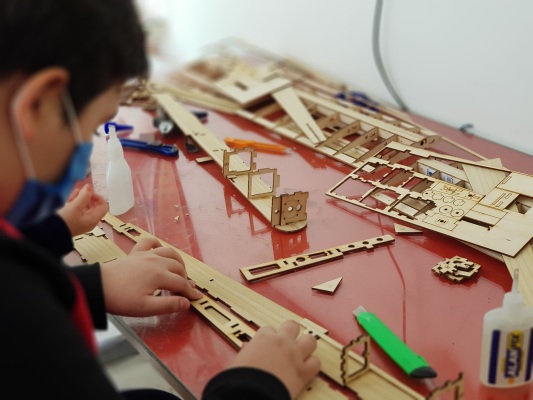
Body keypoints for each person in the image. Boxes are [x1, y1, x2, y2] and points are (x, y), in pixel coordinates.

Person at [0, 1, 320, 400]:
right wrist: (256, 385)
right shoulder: (19, 313)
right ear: (39, 104)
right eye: (95, 125)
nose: (87, 148)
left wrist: (87, 283)